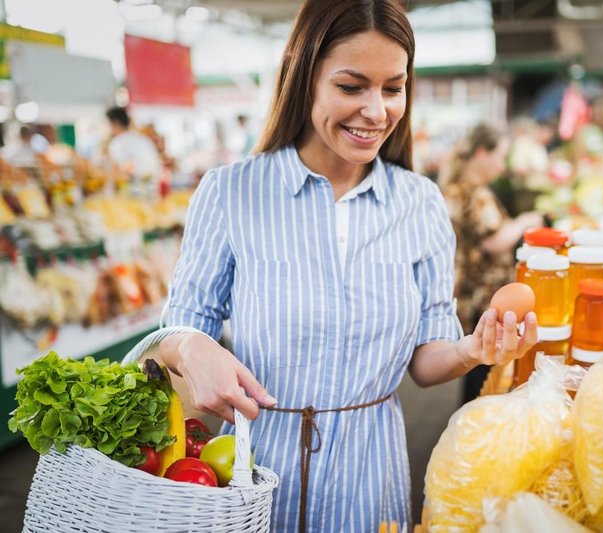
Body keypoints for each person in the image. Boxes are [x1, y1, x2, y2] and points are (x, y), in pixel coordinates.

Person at [157, 2, 539, 531]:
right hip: (251, 472)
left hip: (371, 476)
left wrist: (472, 350)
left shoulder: (420, 202)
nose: (377, 111)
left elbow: (426, 361)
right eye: (351, 86)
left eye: (392, 88)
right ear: (304, 80)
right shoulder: (231, 192)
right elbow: (178, 327)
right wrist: (192, 346)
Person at [440, 123, 543, 404]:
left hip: (469, 294)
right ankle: (471, 431)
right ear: (482, 153)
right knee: (481, 375)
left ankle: (468, 425)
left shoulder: (455, 188)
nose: (502, 166)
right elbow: (493, 240)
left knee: (475, 368)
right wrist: (524, 222)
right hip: (481, 300)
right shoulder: (473, 194)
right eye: (500, 157)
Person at [105, 106, 161, 184]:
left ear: (115, 123)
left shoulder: (117, 143)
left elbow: (121, 171)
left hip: (136, 188)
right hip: (154, 185)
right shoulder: (142, 139)